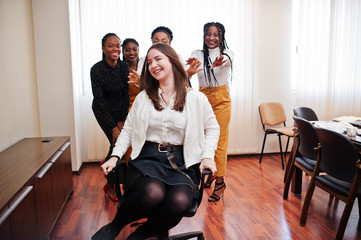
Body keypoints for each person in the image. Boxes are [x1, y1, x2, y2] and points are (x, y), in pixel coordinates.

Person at [91, 43, 220, 240]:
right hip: (148, 159)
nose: (153, 65)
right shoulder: (144, 97)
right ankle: (115, 226)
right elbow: (128, 130)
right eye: (149, 62)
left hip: (182, 162)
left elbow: (213, 128)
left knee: (180, 201)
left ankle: (138, 236)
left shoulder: (195, 98)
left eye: (158, 59)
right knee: (153, 193)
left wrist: (208, 157)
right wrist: (115, 156)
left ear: (172, 61)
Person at [189, 22, 234, 202]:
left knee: (220, 142)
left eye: (216, 34)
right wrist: (190, 70)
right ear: (204, 35)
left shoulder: (227, 54)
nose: (212, 38)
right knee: (203, 140)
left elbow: (225, 62)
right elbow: (192, 69)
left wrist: (216, 64)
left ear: (221, 36)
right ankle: (210, 172)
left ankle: (220, 181)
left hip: (221, 99)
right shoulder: (196, 54)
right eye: (209, 34)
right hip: (202, 98)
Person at [90, 33, 129, 202]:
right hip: (102, 109)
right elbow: (99, 101)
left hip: (119, 109)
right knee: (116, 142)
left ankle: (110, 168)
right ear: (103, 48)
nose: (115, 49)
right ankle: (111, 184)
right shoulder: (96, 69)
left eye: (117, 46)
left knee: (118, 144)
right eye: (111, 45)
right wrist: (113, 127)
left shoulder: (123, 67)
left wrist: (121, 119)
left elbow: (126, 95)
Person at [136, 26, 201, 80]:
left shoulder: (176, 57)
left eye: (164, 42)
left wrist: (188, 73)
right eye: (156, 42)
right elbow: (138, 79)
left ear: (169, 44)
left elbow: (186, 75)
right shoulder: (144, 59)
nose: (160, 45)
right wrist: (140, 81)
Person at [121, 38, 141, 162]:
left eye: (134, 49)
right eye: (127, 50)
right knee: (128, 144)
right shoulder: (121, 68)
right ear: (123, 52)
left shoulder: (144, 65)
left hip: (143, 108)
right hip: (127, 110)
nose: (131, 52)